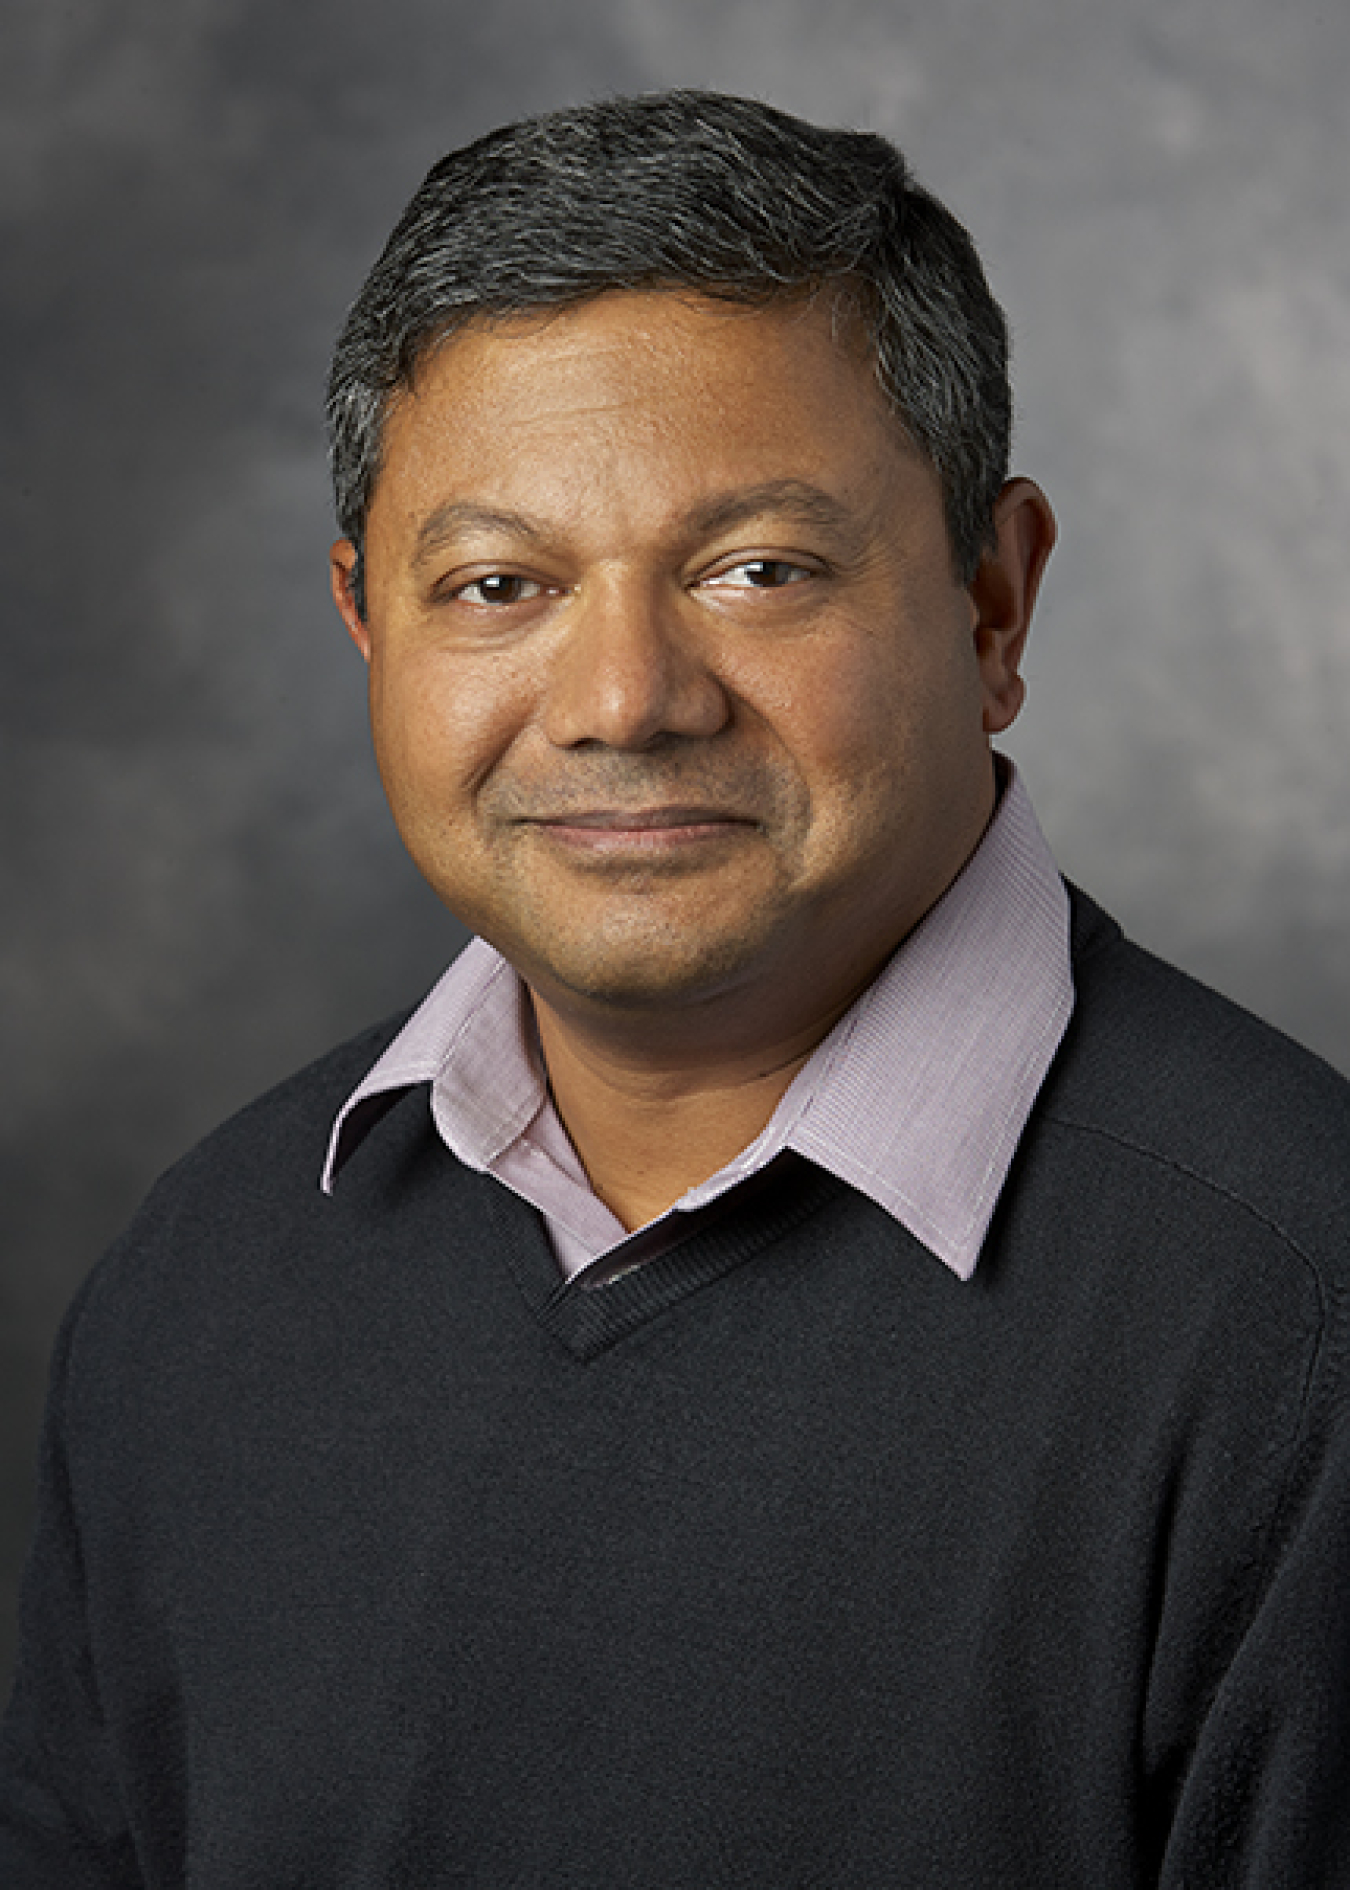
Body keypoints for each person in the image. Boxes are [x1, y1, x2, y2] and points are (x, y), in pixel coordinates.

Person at [2, 90, 1348, 1889]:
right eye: (499, 584)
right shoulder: (199, 1285)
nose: (625, 697)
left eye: (756, 570)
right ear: (366, 628)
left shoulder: (1295, 1328)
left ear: (989, 606)